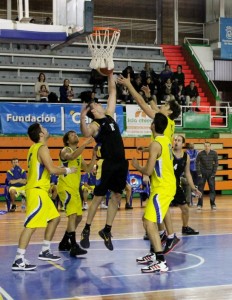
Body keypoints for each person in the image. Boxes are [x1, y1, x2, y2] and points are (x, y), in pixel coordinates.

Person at [12, 123, 77, 271]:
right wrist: (68, 169)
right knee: (31, 225)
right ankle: (18, 259)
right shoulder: (41, 148)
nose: (47, 129)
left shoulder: (34, 148)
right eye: (44, 128)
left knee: (55, 218)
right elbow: (52, 169)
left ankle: (45, 250)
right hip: (37, 191)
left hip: (41, 191)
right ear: (41, 134)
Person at [80, 72, 128, 251]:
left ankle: (107, 230)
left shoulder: (108, 115)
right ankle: (86, 229)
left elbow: (113, 92)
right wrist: (82, 116)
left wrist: (110, 75)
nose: (99, 103)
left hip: (120, 163)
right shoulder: (95, 125)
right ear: (93, 110)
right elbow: (85, 133)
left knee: (117, 196)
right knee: (99, 197)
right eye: (95, 104)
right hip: (106, 164)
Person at [132, 113, 176, 273]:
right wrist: (145, 149)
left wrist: (137, 166)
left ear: (152, 126)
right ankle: (153, 253)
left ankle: (160, 261)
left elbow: (149, 170)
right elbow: (157, 152)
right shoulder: (165, 141)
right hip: (164, 186)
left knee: (149, 222)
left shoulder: (156, 144)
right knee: (147, 220)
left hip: (162, 188)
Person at [57, 131, 96, 257]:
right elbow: (71, 156)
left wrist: (94, 155)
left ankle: (64, 242)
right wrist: (84, 144)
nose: (75, 135)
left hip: (75, 189)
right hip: (65, 187)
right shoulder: (64, 150)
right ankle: (73, 245)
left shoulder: (79, 155)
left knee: (78, 217)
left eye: (75, 134)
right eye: (72, 135)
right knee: (72, 215)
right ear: (67, 141)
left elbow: (88, 169)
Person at [196, 141, 218, 210]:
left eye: (208, 146)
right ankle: (199, 204)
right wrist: (199, 172)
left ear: (210, 146)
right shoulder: (200, 153)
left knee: (212, 189)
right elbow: (197, 162)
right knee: (200, 189)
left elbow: (216, 163)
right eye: (205, 146)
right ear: (204, 146)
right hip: (202, 174)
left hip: (211, 174)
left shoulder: (214, 153)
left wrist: (214, 173)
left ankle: (213, 204)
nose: (207, 147)